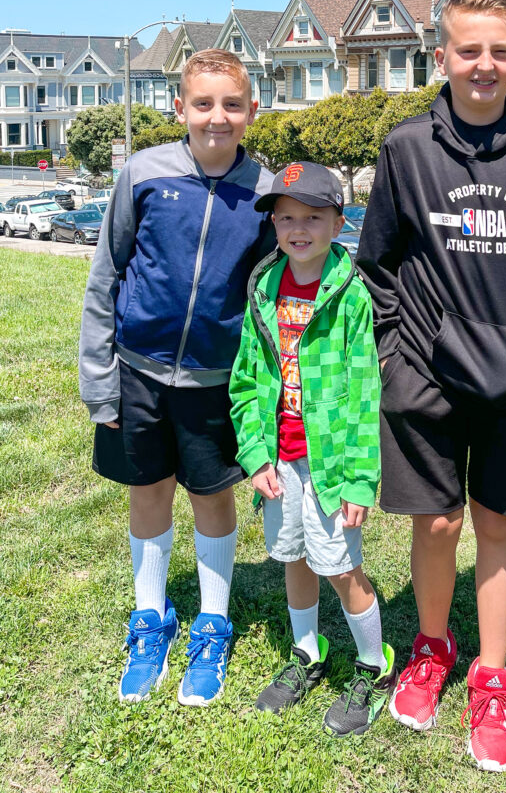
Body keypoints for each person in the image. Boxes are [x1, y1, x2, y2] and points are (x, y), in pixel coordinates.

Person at [356, 0, 506, 772]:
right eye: (469, 50)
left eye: (499, 50)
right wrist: (398, 350)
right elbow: (378, 264)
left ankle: (491, 675)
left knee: (497, 524)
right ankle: (432, 648)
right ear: (442, 56)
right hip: (423, 376)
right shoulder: (405, 148)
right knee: (435, 525)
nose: (484, 65)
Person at [79, 49, 274, 707]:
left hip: (216, 381)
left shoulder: (265, 192)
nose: (216, 117)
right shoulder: (142, 173)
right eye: (202, 103)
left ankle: (213, 622)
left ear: (252, 109)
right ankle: (151, 616)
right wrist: (99, 378)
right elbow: (106, 277)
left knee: (211, 496)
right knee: (148, 488)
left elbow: (270, 299)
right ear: (179, 107)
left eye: (231, 104)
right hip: (135, 371)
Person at [229, 162, 397, 737]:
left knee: (341, 566)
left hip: (329, 464)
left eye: (312, 217)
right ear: (274, 224)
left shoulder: (349, 297)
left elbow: (362, 394)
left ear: (338, 221)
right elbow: (247, 379)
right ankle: (308, 650)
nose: (298, 229)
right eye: (286, 218)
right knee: (292, 556)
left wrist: (357, 479)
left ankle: (375, 667)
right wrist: (254, 453)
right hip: (278, 459)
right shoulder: (263, 288)